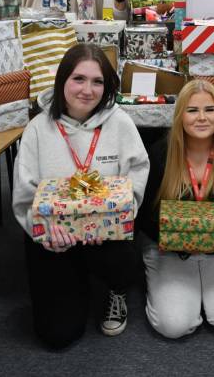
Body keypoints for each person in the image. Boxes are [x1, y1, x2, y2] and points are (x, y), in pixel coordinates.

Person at [12, 44, 150, 349]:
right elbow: (24, 194)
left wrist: (110, 220)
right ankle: (74, 283)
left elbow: (137, 173)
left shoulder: (120, 123)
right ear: (62, 80)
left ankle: (116, 290)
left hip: (107, 236)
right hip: (55, 237)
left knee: (120, 255)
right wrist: (44, 231)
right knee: (58, 335)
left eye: (97, 81)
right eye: (78, 79)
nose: (87, 90)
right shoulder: (37, 129)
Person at [137, 79, 214, 338]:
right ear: (180, 114)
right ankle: (180, 289)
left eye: (210, 109)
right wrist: (179, 240)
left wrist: (213, 241)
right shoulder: (160, 154)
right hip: (170, 251)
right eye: (192, 110)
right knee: (174, 326)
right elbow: (144, 215)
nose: (202, 118)